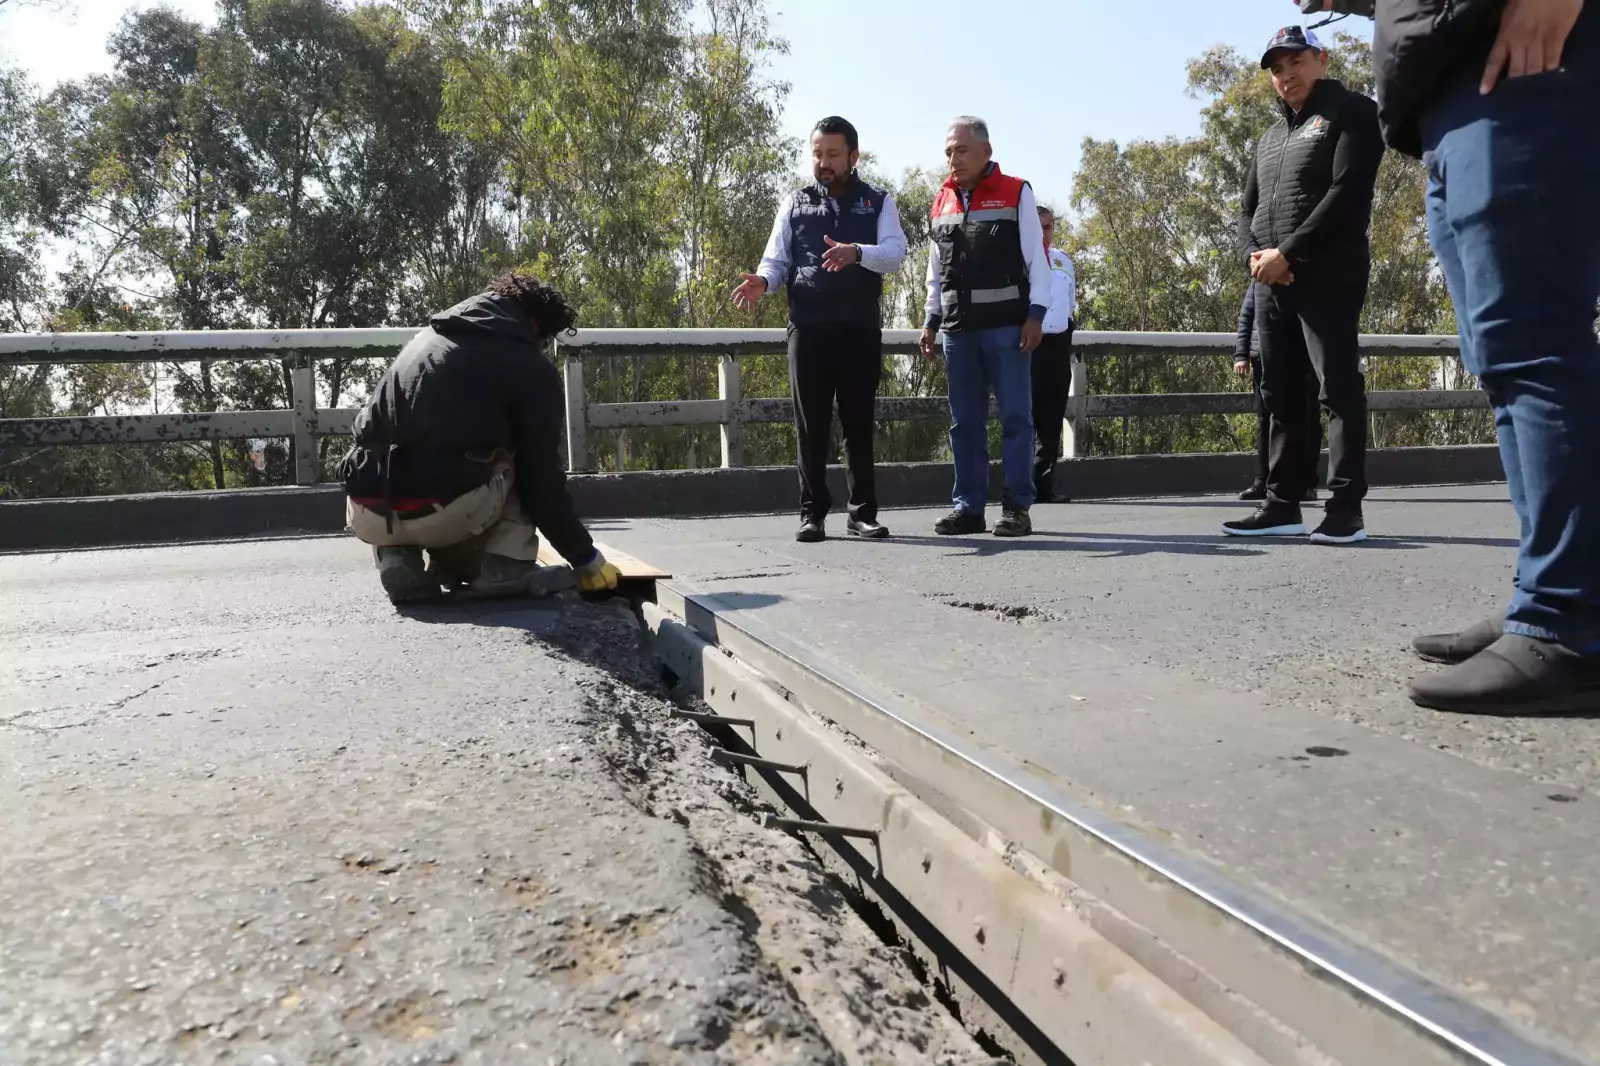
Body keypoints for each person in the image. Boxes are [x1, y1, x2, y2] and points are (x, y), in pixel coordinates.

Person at [1304, 0, 1600, 712]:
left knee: (1535, 345)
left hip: (1523, 53)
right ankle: (1546, 588)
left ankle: (1570, 622)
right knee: (1501, 360)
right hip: (1447, 91)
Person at [338, 272, 621, 605]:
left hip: (368, 509)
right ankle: (507, 565)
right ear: (533, 324)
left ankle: (398, 557)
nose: (542, 347)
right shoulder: (528, 366)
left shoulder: (424, 340)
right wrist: (584, 557)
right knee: (517, 459)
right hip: (444, 512)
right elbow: (540, 482)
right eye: (545, 338)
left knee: (407, 457)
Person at [1223, 26, 1383, 545]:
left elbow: (1347, 193)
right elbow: (1246, 209)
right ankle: (1282, 503)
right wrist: (1258, 257)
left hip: (1328, 272)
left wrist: (1288, 253)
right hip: (1269, 280)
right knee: (1281, 391)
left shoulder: (1353, 112)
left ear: (1320, 58)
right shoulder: (1270, 139)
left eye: (1295, 62)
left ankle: (1344, 510)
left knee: (1336, 387)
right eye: (1276, 68)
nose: (1285, 75)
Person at [732, 116, 907, 543]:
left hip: (858, 329)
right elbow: (777, 259)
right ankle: (812, 514)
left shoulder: (878, 201)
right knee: (810, 424)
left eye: (832, 154)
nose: (823, 162)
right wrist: (764, 281)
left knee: (858, 423)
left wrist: (856, 253)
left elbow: (895, 252)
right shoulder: (794, 202)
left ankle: (862, 513)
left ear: (853, 156)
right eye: (817, 154)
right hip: (807, 328)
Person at [919, 117, 1054, 538]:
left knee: (1016, 418)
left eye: (960, 150)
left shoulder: (1017, 192)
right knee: (965, 421)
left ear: (985, 152)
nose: (952, 158)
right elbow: (935, 270)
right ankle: (969, 508)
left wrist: (1035, 316)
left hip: (1007, 329)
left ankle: (1016, 508)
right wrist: (930, 321)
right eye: (948, 151)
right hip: (959, 331)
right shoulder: (942, 199)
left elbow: (1038, 260)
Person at [1232, 283, 1322, 502]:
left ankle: (1306, 483)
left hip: (1305, 355)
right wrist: (1241, 354)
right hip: (1264, 355)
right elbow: (1247, 314)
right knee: (1265, 419)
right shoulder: (1261, 277)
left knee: (1308, 418)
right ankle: (1262, 482)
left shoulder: (1311, 274)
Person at [1031, 205, 1077, 505]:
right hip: (1029, 345)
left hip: (1059, 345)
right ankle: (1022, 487)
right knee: (1026, 418)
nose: (1044, 233)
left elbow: (1069, 301)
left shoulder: (1063, 260)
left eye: (1048, 227)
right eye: (1038, 227)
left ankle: (1044, 485)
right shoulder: (1018, 259)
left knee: (1052, 418)